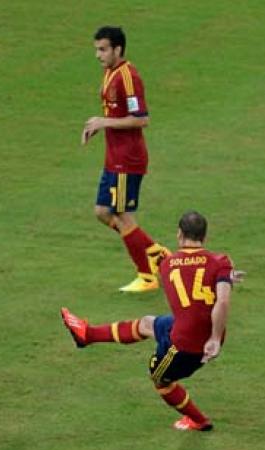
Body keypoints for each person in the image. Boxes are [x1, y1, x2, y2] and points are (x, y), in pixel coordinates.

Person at [60, 211, 241, 431]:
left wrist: (211, 340)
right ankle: (87, 335)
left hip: (185, 345)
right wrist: (215, 337)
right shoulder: (222, 262)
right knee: (147, 324)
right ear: (205, 236)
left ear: (179, 234)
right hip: (205, 333)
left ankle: (200, 421)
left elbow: (184, 276)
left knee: (160, 380)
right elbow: (221, 299)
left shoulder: (167, 265)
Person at [82, 25, 168, 293]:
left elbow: (142, 118)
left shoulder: (128, 76)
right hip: (114, 157)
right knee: (102, 211)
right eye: (96, 49)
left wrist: (104, 122)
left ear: (117, 49)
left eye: (103, 49)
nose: (98, 55)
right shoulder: (110, 72)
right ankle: (155, 253)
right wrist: (99, 125)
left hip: (127, 159)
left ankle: (147, 275)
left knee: (122, 215)